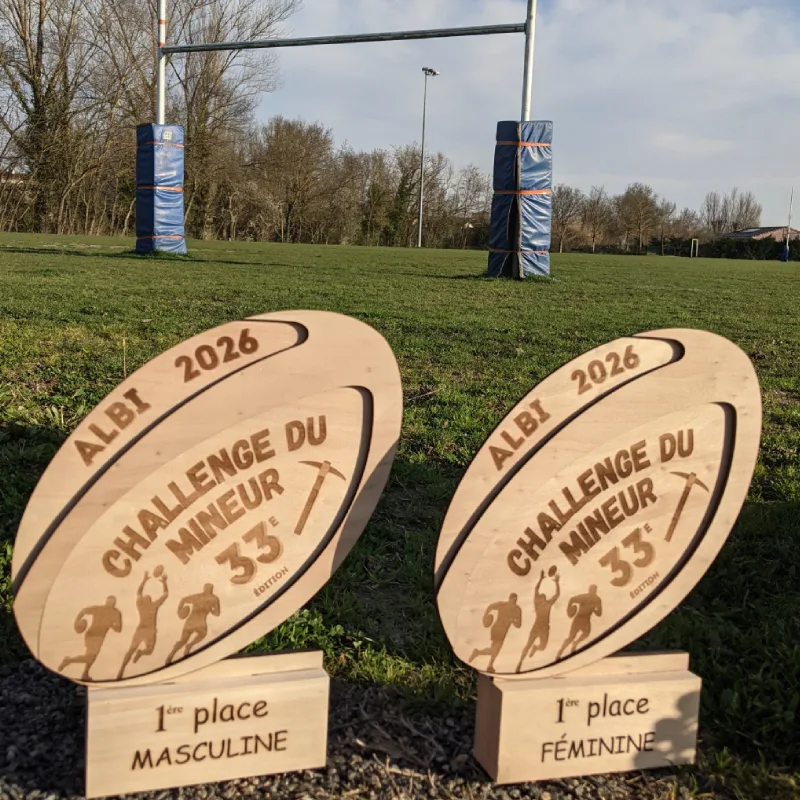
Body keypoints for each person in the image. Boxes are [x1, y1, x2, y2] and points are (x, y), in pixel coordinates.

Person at [117, 568, 169, 679]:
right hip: (149, 630)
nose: (148, 598)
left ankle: (123, 667)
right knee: (147, 650)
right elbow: (165, 594)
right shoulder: (153, 606)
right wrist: (164, 583)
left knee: (134, 650)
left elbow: (139, 592)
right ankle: (133, 659)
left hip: (143, 629)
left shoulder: (141, 605)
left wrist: (144, 580)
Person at [58, 596, 122, 681]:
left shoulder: (115, 613)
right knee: (90, 657)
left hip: (98, 636)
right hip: (94, 636)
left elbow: (118, 629)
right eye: (108, 602)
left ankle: (85, 674)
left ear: (114, 604)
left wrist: (111, 625)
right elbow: (83, 611)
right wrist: (76, 622)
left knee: (91, 657)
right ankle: (69, 660)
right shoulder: (99, 609)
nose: (108, 604)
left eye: (111, 602)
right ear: (105, 602)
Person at [515, 566, 560, 672]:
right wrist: (540, 579)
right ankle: (520, 662)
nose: (542, 597)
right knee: (528, 644)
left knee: (543, 647)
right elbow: (536, 590)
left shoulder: (548, 604)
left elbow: (557, 594)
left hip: (544, 628)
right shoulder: (537, 604)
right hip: (537, 626)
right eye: (541, 596)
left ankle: (536, 648)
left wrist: (556, 582)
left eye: (543, 596)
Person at [165, 584, 220, 665]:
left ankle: (180, 650)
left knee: (192, 637)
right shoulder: (210, 598)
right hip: (196, 621)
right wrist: (179, 611)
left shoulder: (208, 598)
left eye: (208, 589)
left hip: (196, 621)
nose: (207, 590)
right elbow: (217, 613)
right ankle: (177, 651)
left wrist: (179, 610)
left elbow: (217, 613)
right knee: (188, 639)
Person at [468, 593, 522, 673]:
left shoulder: (517, 610)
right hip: (497, 629)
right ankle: (479, 654)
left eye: (515, 601)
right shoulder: (502, 605)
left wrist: (513, 620)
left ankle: (488, 664)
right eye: (512, 600)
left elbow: (519, 624)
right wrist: (485, 616)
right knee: (495, 650)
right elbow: (490, 606)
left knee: (495, 650)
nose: (513, 602)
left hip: (503, 632)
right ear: (509, 599)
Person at [556, 585, 603, 661]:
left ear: (595, 591)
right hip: (579, 619)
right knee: (571, 637)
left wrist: (594, 609)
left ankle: (575, 643)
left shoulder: (597, 599)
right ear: (589, 590)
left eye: (593, 590)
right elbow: (572, 599)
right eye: (591, 590)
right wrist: (569, 610)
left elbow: (599, 613)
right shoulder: (584, 597)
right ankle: (560, 651)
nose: (592, 592)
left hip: (586, 620)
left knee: (586, 633)